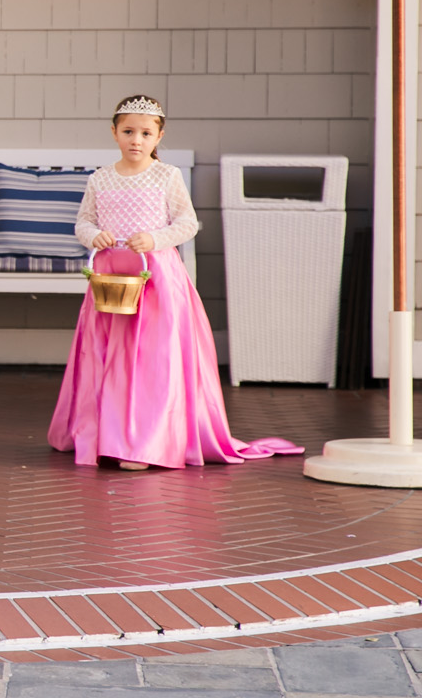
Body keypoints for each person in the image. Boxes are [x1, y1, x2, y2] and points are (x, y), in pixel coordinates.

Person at [48, 95, 302, 470]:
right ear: (115, 133)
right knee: (111, 357)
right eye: (129, 131)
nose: (136, 139)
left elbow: (186, 223)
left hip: (156, 280)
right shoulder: (100, 178)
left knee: (151, 359)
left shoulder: (166, 176)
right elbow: (83, 222)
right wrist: (94, 235)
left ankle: (144, 443)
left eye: (146, 133)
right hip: (113, 279)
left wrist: (153, 239)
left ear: (159, 136)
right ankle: (107, 434)